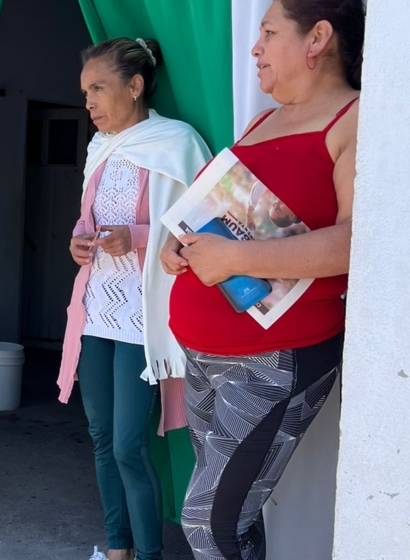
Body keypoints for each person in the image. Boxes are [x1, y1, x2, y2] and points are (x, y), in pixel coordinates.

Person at [161, 1, 364, 558]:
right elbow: (224, 212)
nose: (255, 49)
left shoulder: (354, 119)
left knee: (207, 523)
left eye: (269, 33)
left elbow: (359, 241)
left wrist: (234, 261)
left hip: (275, 357)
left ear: (317, 38)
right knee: (234, 518)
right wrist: (178, 245)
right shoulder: (260, 120)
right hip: (204, 351)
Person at [56, 38, 211, 560]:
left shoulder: (176, 142)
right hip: (97, 307)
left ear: (136, 85)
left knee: (128, 445)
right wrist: (80, 238)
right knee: (101, 439)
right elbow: (90, 218)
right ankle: (117, 548)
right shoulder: (98, 149)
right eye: (85, 93)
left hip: (145, 315)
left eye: (98, 88)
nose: (90, 102)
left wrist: (138, 237)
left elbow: (203, 225)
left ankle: (149, 556)